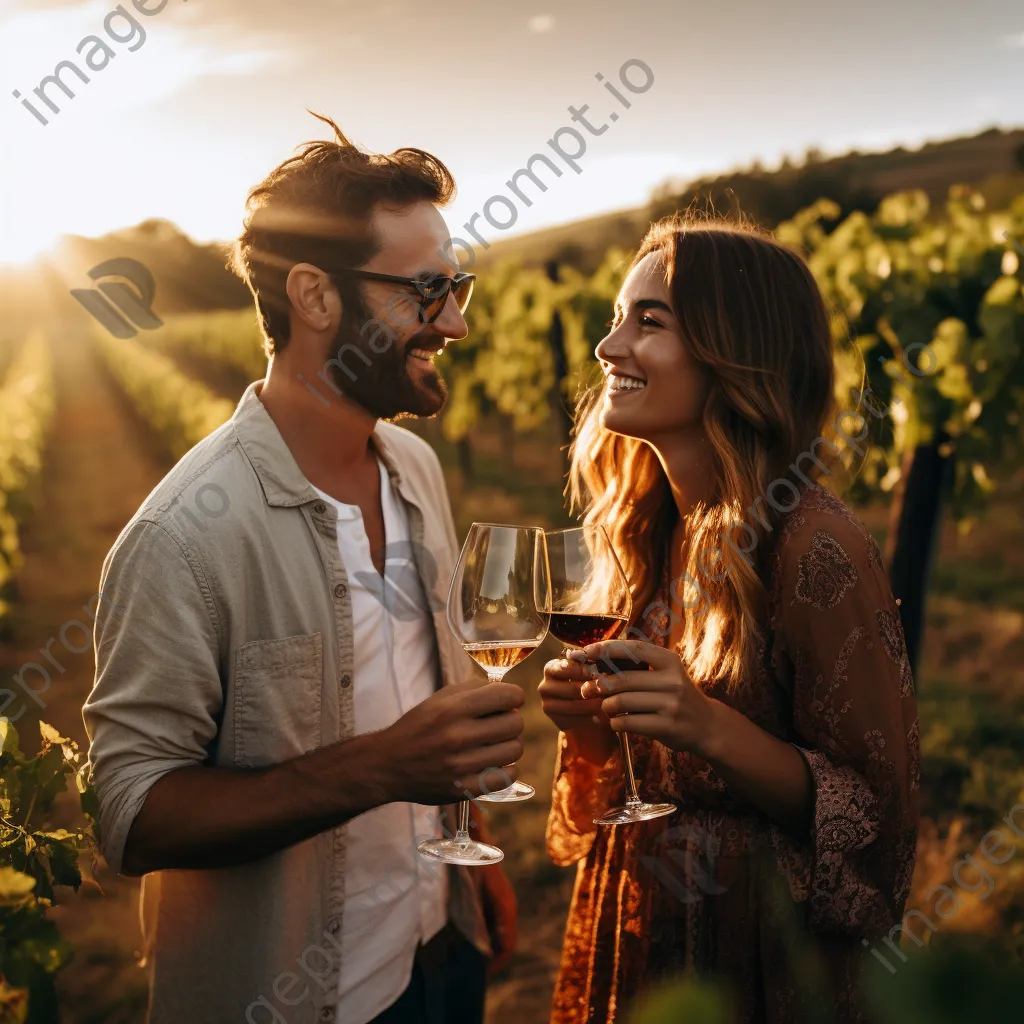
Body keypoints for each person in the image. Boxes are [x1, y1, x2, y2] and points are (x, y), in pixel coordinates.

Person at [83, 116, 520, 1024]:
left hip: (441, 957)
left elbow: (415, 699)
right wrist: (379, 768)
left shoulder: (416, 472)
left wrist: (468, 859)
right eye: (429, 290)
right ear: (316, 296)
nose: (458, 320)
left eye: (458, 284)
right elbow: (130, 812)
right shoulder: (183, 536)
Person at [539, 216, 920, 1023]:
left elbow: (875, 817)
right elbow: (628, 778)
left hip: (755, 950)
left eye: (649, 322)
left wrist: (706, 728)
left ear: (733, 350)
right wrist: (592, 728)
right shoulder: (645, 525)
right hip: (643, 922)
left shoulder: (814, 548)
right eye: (615, 318)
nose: (609, 349)